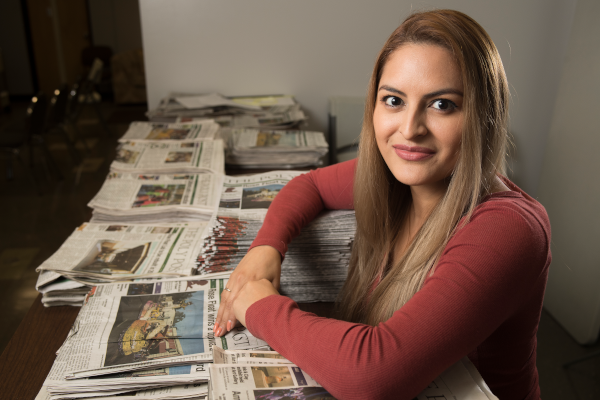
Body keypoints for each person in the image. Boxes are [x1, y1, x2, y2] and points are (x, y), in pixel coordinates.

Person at [214, 9, 550, 400]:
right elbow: (310, 186)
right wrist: (265, 249)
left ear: (484, 117)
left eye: (442, 105)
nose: (410, 129)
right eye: (393, 100)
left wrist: (257, 305)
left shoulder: (509, 227)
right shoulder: (394, 174)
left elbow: (372, 376)